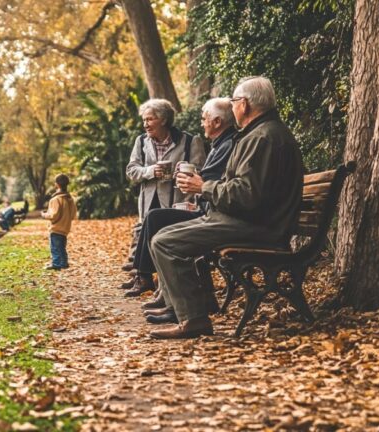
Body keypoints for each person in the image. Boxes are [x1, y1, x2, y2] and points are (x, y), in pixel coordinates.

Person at [148, 76, 304, 339]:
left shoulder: (263, 138)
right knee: (162, 236)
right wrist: (209, 187)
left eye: (233, 102)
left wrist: (203, 187)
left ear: (243, 104)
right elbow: (247, 189)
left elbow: (246, 195)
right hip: (254, 221)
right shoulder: (263, 133)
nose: (232, 108)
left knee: (165, 242)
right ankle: (189, 310)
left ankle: (193, 318)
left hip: (258, 227)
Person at [121, 98, 237, 302]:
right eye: (144, 120)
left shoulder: (191, 141)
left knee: (158, 226)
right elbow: (131, 170)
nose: (145, 124)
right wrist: (149, 171)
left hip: (180, 199)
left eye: (150, 119)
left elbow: (202, 172)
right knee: (146, 227)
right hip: (149, 198)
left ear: (163, 120)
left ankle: (149, 279)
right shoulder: (141, 141)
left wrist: (182, 175)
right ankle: (143, 276)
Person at [41, 174, 78, 270]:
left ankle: (56, 264)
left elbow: (53, 215)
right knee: (62, 247)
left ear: (56, 185)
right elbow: (73, 214)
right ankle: (64, 262)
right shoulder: (70, 199)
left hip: (56, 228)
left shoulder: (56, 199)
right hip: (65, 228)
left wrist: (44, 215)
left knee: (55, 248)